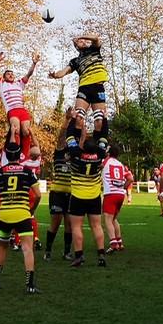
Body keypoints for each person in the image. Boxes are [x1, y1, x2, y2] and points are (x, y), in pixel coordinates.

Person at [0, 142, 42, 294]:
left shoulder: (0, 172)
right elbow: (38, 195)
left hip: (4, 216)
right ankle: (29, 285)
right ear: (19, 155)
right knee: (28, 249)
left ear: (6, 155)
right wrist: (31, 210)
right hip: (23, 215)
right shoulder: (28, 171)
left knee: (2, 247)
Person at [65, 113, 108, 267]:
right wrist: (104, 119)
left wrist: (73, 119)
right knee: (97, 226)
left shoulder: (76, 155)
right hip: (94, 196)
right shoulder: (100, 156)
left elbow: (69, 136)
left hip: (77, 196)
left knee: (76, 227)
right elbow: (104, 136)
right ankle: (101, 255)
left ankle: (79, 256)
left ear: (82, 146)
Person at [48, 33, 108, 133]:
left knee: (99, 119)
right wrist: (54, 75)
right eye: (81, 41)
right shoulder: (75, 61)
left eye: (85, 40)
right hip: (84, 88)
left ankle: (99, 144)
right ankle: (76, 143)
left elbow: (96, 39)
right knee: (78, 116)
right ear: (76, 46)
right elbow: (63, 72)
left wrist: (81, 36)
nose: (84, 41)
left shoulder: (94, 50)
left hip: (98, 86)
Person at [0, 52, 40, 158]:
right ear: (4, 77)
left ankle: (26, 155)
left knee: (26, 131)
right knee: (16, 130)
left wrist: (34, 63)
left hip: (22, 110)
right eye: (8, 74)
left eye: (12, 74)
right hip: (12, 110)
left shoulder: (19, 84)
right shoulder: (1, 84)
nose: (11, 75)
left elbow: (29, 74)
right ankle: (16, 154)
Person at [44, 108, 74, 261]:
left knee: (69, 224)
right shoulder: (59, 152)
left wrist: (80, 121)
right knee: (55, 222)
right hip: (57, 193)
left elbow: (82, 140)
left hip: (71, 193)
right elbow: (60, 137)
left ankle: (67, 252)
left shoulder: (75, 154)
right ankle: (48, 251)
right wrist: (67, 120)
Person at [103, 145, 134, 253]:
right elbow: (130, 178)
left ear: (109, 153)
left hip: (110, 193)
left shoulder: (106, 161)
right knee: (114, 219)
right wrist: (124, 187)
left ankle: (113, 243)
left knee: (107, 219)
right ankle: (119, 242)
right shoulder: (121, 165)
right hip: (120, 194)